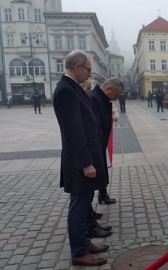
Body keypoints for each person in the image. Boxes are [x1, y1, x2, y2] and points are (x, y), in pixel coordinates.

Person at [52, 50, 109, 266]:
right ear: (77, 67)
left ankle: (85, 243)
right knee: (78, 206)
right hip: (79, 163)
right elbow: (73, 131)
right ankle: (79, 251)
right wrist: (86, 163)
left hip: (85, 159)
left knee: (85, 206)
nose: (89, 74)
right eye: (88, 69)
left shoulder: (72, 88)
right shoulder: (66, 90)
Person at [89, 78, 124, 206]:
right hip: (95, 145)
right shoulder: (94, 99)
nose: (115, 99)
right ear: (108, 89)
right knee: (95, 175)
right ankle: (89, 213)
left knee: (102, 170)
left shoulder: (101, 98)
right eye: (115, 95)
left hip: (101, 143)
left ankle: (102, 195)